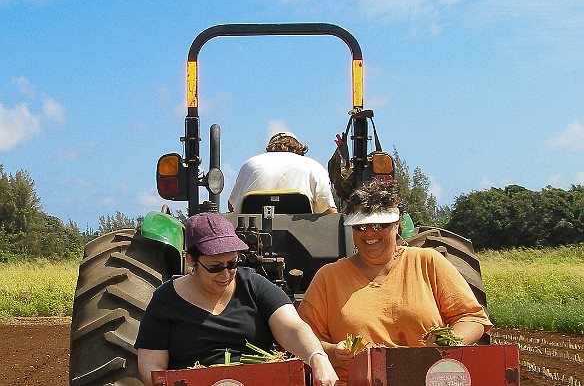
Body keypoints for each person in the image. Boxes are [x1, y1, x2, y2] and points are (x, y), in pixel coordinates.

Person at [297, 180, 492, 384]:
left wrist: (451, 340)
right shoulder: (329, 277)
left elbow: (472, 318)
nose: (370, 233)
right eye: (361, 227)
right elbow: (300, 340)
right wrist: (332, 352)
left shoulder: (427, 262)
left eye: (380, 225)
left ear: (397, 223)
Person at [135, 212, 339, 386]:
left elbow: (292, 327)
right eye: (215, 267)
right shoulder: (165, 300)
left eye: (232, 264)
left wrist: (317, 356)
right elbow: (151, 366)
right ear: (190, 260)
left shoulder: (253, 285)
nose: (225, 274)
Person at [228, 131, 337, 214]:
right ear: (298, 148)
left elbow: (232, 206)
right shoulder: (313, 166)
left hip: (253, 237)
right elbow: (329, 210)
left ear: (270, 147)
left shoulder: (250, 164)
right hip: (301, 238)